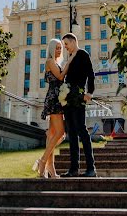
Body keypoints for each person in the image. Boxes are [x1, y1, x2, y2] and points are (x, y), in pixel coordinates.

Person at [33, 38, 74, 178]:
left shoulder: (56, 62)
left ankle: (51, 169)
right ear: (51, 49)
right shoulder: (50, 61)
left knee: (51, 134)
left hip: (57, 98)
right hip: (54, 99)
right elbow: (61, 76)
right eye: (56, 47)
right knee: (61, 133)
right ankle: (43, 161)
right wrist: (70, 62)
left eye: (60, 47)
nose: (59, 49)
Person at [61, 32, 96, 177]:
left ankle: (91, 168)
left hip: (79, 97)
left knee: (82, 130)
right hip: (69, 99)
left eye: (66, 44)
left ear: (73, 42)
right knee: (72, 133)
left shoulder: (83, 54)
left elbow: (91, 74)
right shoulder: (70, 57)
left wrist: (90, 92)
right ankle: (73, 169)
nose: (65, 48)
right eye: (64, 46)